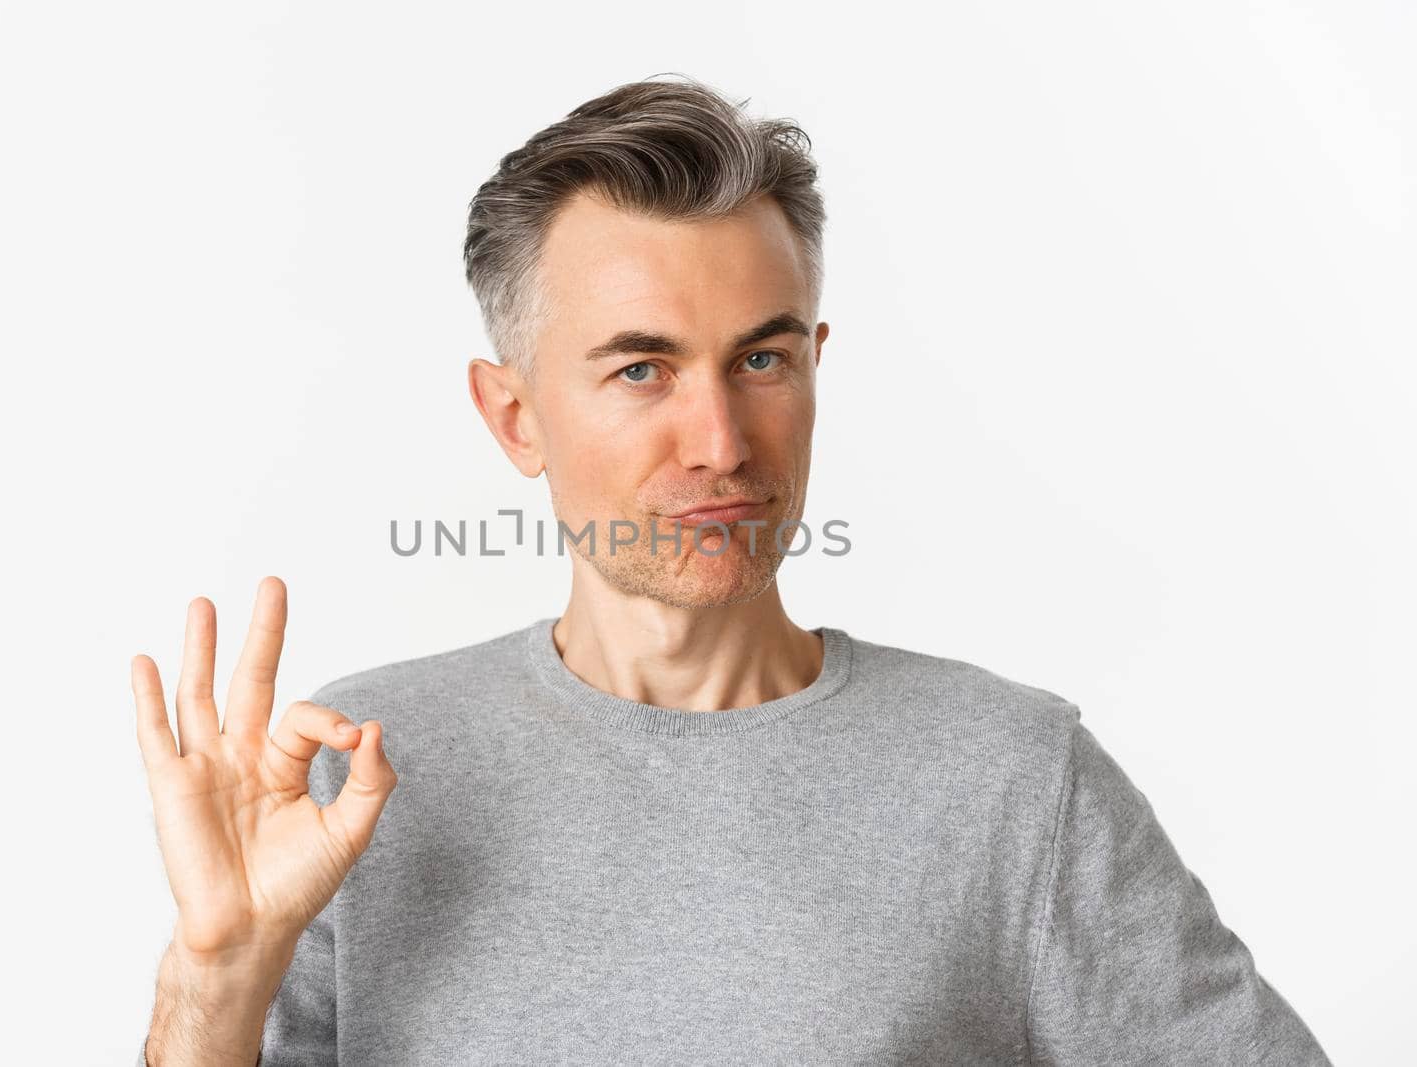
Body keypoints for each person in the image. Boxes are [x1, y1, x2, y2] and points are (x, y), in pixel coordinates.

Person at [130, 74, 1332, 1065]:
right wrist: (215, 984)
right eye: (640, 369)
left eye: (759, 360)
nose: (719, 442)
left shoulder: (1012, 778)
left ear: (814, 366)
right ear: (514, 417)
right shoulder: (356, 775)